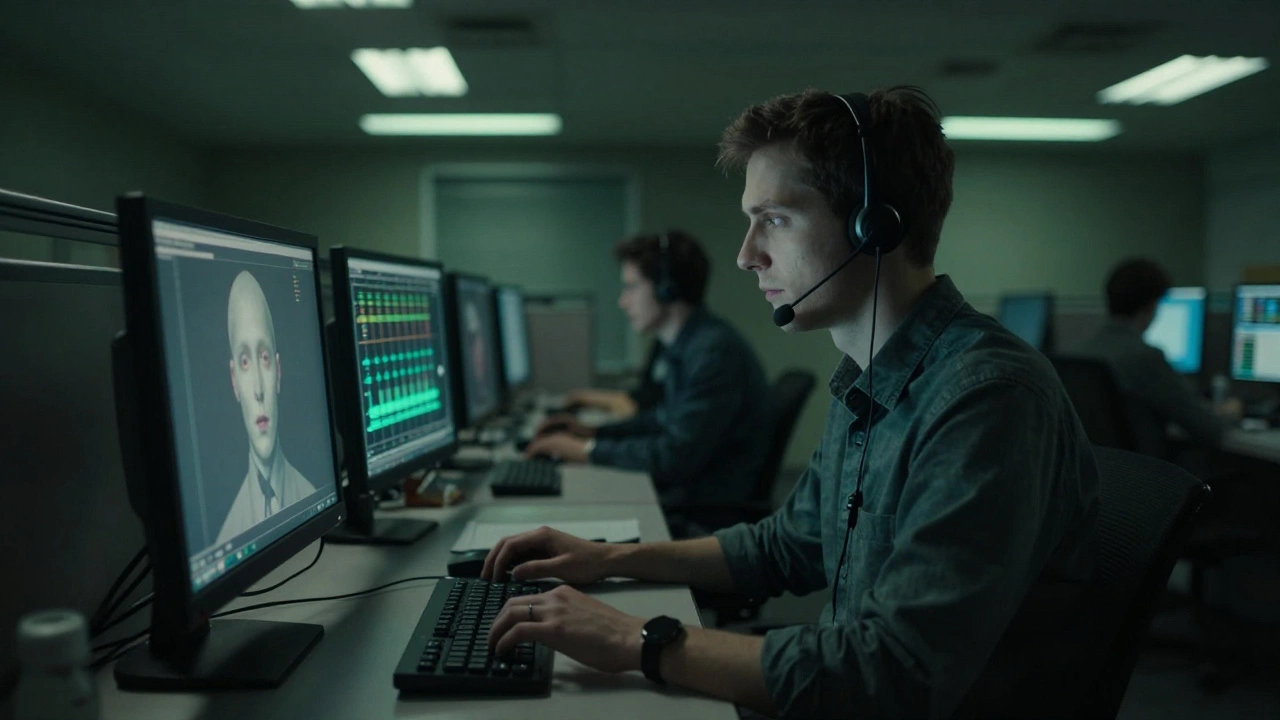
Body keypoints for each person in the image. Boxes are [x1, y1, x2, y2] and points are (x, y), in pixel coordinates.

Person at [485, 87, 1101, 719]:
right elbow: (787, 545)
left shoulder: (986, 400)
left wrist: (630, 639)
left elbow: (895, 676)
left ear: (874, 226)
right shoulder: (869, 377)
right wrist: (610, 559)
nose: (747, 255)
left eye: (774, 219)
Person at [523, 230, 774, 513]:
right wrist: (592, 433)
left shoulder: (713, 353)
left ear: (667, 288)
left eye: (631, 287)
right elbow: (660, 420)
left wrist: (585, 450)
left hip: (702, 505)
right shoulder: (686, 345)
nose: (623, 302)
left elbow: (675, 457)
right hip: (684, 489)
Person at [1081, 258, 1242, 461]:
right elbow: (1207, 428)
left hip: (1104, 477)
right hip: (1148, 477)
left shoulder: (1082, 352)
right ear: (1152, 304)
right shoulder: (1145, 357)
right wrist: (1229, 412)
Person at [215, 270, 316, 546]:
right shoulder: (227, 538)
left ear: (279, 372)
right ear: (234, 381)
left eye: (264, 357)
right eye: (246, 362)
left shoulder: (313, 497)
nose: (258, 388)